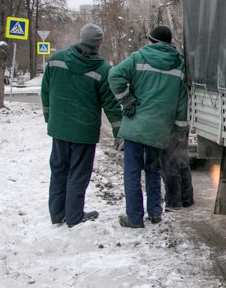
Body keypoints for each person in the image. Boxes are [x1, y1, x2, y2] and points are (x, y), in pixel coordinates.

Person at [41, 23, 122, 227]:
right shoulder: (103, 70)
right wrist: (118, 131)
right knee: (78, 173)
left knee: (59, 170)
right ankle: (74, 216)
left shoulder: (56, 60)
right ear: (99, 44)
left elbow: (45, 91)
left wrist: (49, 117)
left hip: (59, 129)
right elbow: (111, 104)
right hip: (84, 132)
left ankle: (57, 214)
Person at [108, 25, 188, 228]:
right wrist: (179, 132)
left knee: (132, 173)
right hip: (160, 130)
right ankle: (155, 213)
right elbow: (181, 103)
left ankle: (134, 218)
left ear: (151, 40)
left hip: (136, 127)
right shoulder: (178, 65)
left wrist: (126, 101)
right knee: (153, 170)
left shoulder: (138, 57)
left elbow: (114, 76)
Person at [160, 124, 194, 210]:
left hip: (169, 126)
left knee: (168, 164)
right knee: (182, 161)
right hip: (183, 125)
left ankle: (173, 202)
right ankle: (186, 199)